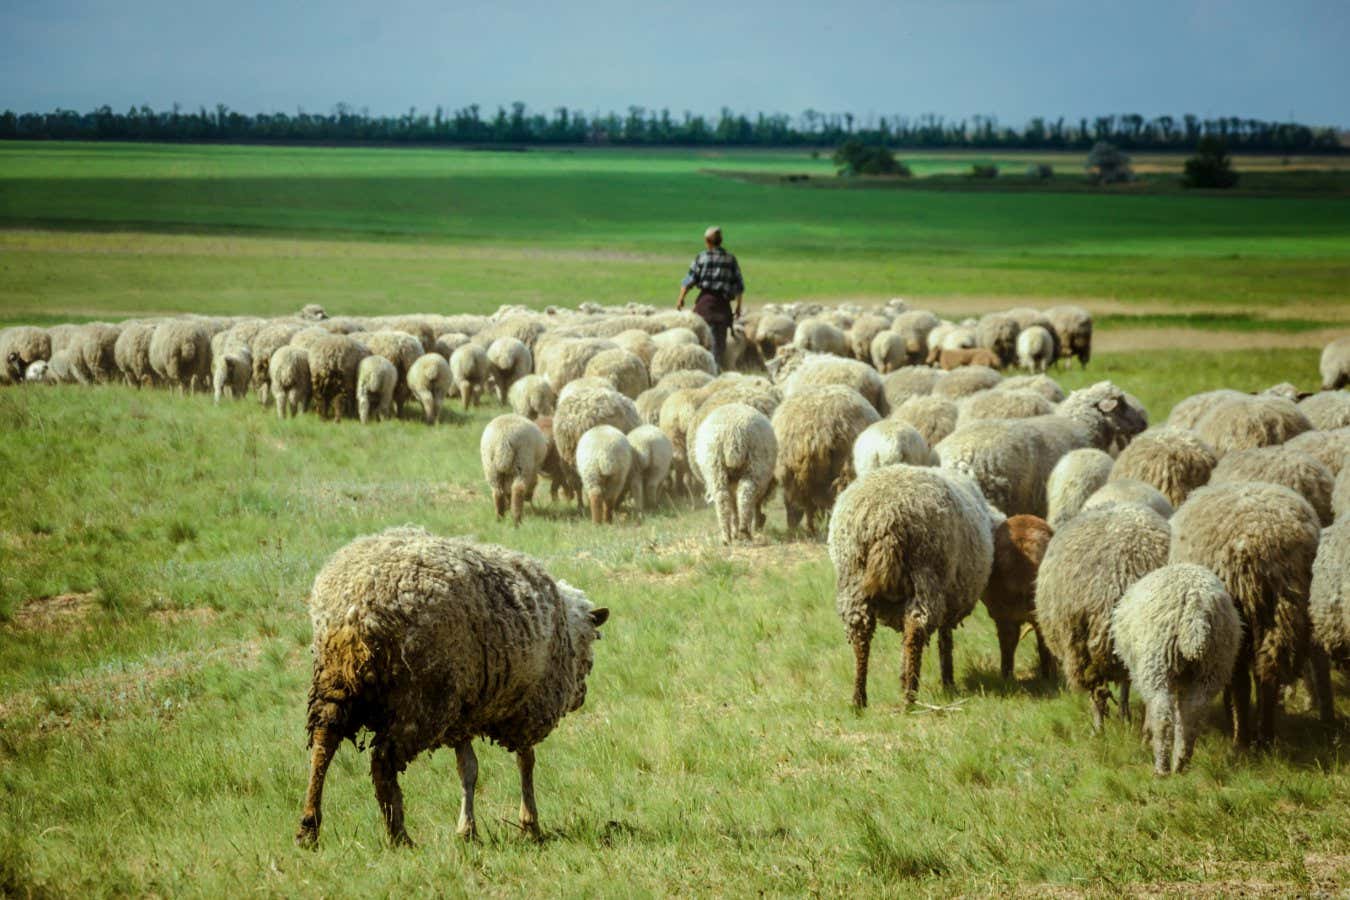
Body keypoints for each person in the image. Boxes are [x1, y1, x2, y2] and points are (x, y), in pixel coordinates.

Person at [676, 226, 744, 372]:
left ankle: (701, 373)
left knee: (700, 346)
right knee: (718, 348)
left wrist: (681, 299)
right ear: (721, 241)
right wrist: (738, 306)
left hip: (703, 307)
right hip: (722, 309)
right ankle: (715, 373)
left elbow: (689, 281)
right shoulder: (730, 259)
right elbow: (739, 285)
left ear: (707, 241)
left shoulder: (702, 257)